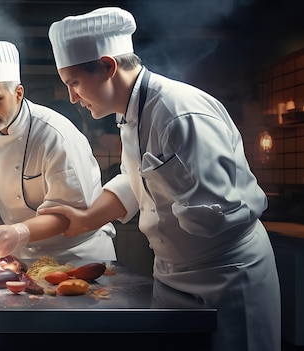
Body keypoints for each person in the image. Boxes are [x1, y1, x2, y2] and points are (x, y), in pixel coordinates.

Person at [43, 7, 280, 351]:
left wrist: (181, 207)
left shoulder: (180, 113)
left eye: (74, 83)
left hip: (225, 275)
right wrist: (85, 219)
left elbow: (219, 214)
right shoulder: (130, 115)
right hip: (171, 275)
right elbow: (138, 179)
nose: (72, 97)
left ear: (108, 67)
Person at [0, 40, 116, 262]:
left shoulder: (55, 134)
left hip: (77, 254)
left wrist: (18, 232)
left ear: (18, 93)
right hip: (23, 254)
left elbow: (72, 214)